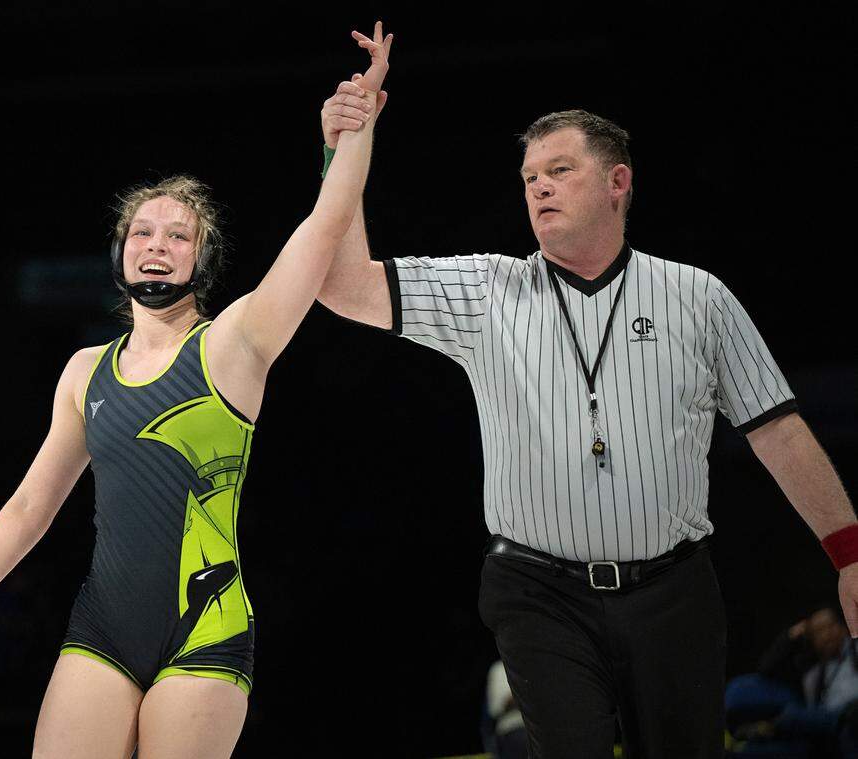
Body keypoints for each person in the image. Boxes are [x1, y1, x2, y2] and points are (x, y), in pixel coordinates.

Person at [315, 95, 858, 758]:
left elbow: (777, 430)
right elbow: (342, 284)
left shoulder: (698, 297)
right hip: (539, 593)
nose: (539, 185)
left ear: (617, 182)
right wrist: (344, 150)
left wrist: (851, 554)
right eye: (529, 177)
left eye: (561, 169)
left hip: (674, 592)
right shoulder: (489, 290)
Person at [0, 23, 392, 758]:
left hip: (206, 631)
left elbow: (326, 228)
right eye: (143, 231)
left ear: (204, 259)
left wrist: (348, 135)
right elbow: (30, 504)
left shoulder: (235, 342)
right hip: (101, 631)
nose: (157, 244)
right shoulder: (85, 371)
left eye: (178, 235)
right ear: (120, 251)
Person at [729, 606, 858, 758]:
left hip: (853, 715)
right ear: (812, 640)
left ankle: (768, 728)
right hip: (827, 729)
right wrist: (791, 635)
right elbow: (766, 669)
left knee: (791, 716)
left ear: (843, 627)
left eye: (830, 626)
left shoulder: (855, 651)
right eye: (819, 631)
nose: (827, 634)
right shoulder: (813, 675)